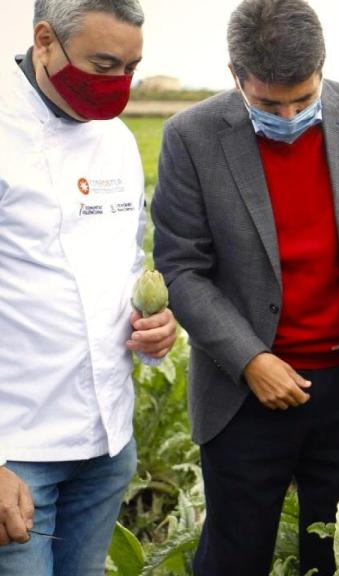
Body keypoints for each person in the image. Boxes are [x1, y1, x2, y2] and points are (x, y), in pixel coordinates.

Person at [150, 0, 339, 573]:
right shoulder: (191, 137)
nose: (291, 114)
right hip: (243, 396)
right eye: (270, 104)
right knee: (235, 552)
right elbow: (180, 267)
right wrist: (250, 359)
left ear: (322, 67)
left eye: (304, 99)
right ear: (236, 76)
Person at [0, 0, 178, 574]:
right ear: (45, 40)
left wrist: (153, 331)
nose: (118, 85)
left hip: (105, 448)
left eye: (131, 68)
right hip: (17, 455)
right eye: (104, 66)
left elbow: (125, 266)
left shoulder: (118, 142)